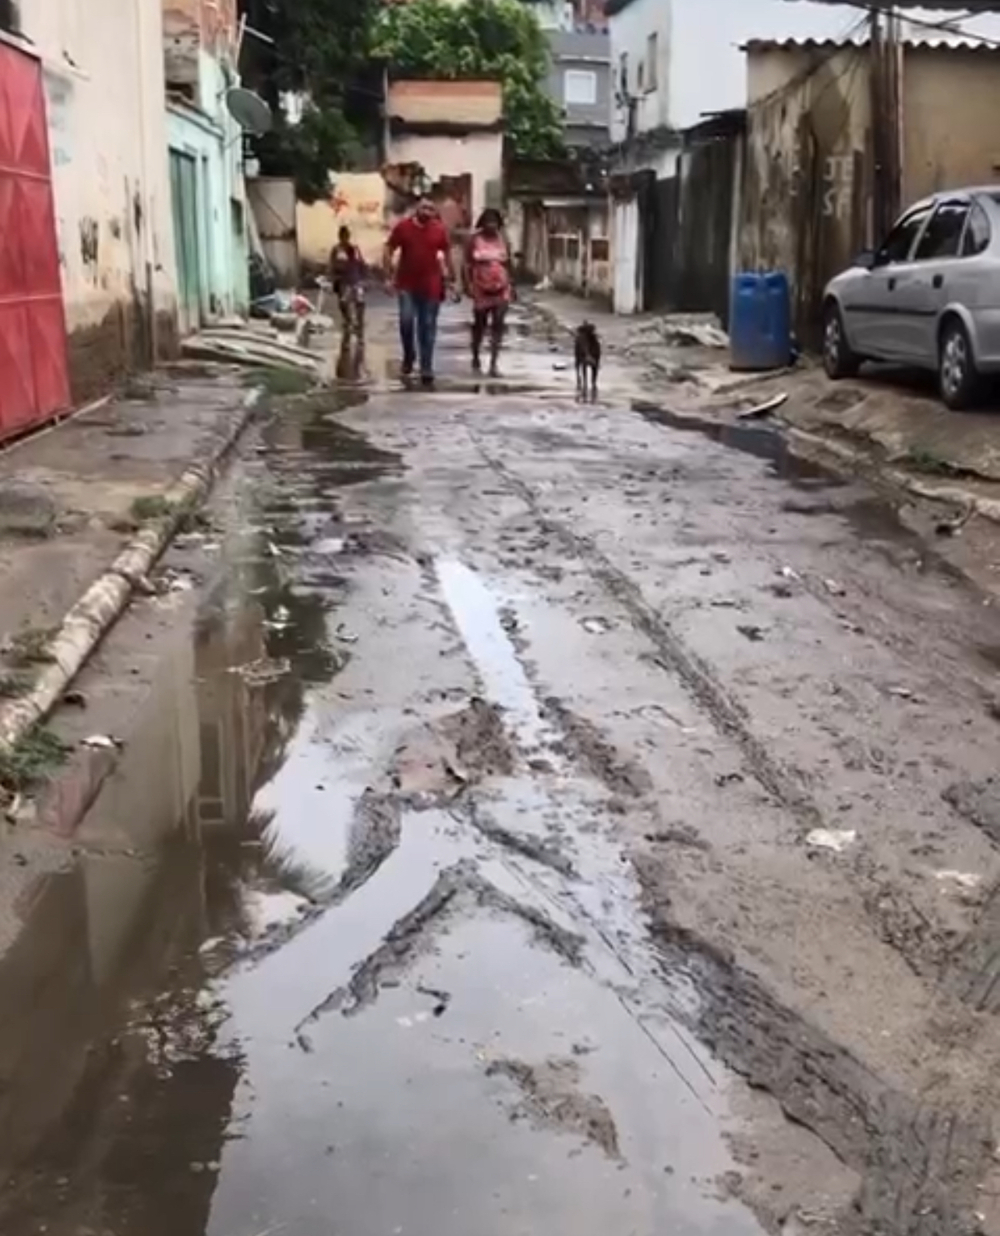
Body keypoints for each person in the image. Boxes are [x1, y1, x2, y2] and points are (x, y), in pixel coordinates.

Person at [384, 198, 455, 386]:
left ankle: (426, 366)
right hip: (406, 284)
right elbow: (389, 247)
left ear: (434, 213)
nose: (427, 212)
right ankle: (409, 354)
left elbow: (446, 254)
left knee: (428, 325)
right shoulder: (404, 228)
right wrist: (388, 276)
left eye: (431, 209)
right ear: (416, 209)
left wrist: (451, 279)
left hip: (431, 285)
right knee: (406, 321)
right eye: (423, 208)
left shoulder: (439, 230)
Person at [464, 208, 513, 377]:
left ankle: (494, 362)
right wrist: (467, 284)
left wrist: (512, 285)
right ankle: (476, 355)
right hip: (481, 288)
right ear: (482, 224)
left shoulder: (504, 239)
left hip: (501, 288)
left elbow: (509, 263)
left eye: (494, 223)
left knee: (498, 324)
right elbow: (467, 263)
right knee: (480, 324)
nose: (491, 226)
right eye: (488, 222)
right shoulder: (474, 240)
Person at [330, 225, 365, 340]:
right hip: (343, 280)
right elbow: (332, 264)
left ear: (348, 236)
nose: (344, 238)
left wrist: (362, 277)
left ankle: (359, 323)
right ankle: (348, 320)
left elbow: (361, 263)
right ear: (339, 237)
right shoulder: (336, 249)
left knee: (359, 302)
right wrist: (333, 277)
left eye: (346, 236)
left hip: (355, 279)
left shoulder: (354, 249)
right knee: (343, 302)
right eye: (342, 236)